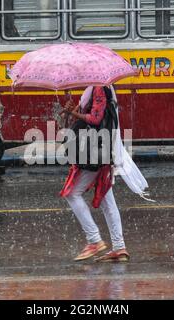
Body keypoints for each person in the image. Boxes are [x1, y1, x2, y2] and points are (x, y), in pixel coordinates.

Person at [60, 86, 130, 262]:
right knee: (107, 198)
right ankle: (119, 247)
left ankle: (94, 240)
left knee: (72, 194)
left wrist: (75, 114)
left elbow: (95, 119)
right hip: (101, 149)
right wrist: (71, 111)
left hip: (94, 151)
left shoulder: (99, 88)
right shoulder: (94, 89)